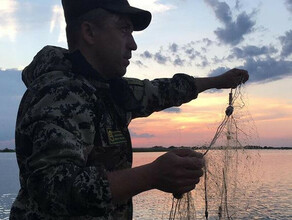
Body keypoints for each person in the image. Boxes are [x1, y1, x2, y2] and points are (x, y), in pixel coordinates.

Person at [10, 0, 249, 219]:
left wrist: (218, 81)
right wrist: (152, 175)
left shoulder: (109, 89)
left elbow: (161, 91)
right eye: (124, 30)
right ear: (89, 32)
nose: (133, 44)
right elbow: (53, 189)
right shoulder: (56, 94)